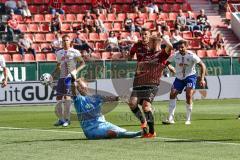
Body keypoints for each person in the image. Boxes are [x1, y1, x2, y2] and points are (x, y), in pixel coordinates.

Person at [128, 28, 173, 138]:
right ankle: (143, 121)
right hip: (138, 82)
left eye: (153, 41)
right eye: (151, 42)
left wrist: (163, 38)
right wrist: (139, 69)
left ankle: (152, 132)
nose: (150, 43)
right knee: (132, 103)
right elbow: (139, 63)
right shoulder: (145, 54)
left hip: (152, 84)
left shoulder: (161, 53)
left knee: (146, 107)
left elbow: (170, 47)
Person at [71, 78, 142, 139]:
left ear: (87, 85)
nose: (81, 88)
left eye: (82, 86)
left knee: (123, 131)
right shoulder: (78, 99)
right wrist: (73, 80)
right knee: (112, 133)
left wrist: (119, 98)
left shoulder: (95, 97)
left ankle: (138, 134)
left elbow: (108, 98)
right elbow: (73, 89)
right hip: (91, 130)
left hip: (104, 124)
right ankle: (138, 133)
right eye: (79, 87)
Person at [163, 40, 206, 125]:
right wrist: (170, 67)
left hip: (190, 77)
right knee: (172, 94)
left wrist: (202, 79)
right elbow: (166, 62)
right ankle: (170, 118)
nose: (180, 49)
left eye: (182, 47)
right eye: (179, 47)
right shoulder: (175, 55)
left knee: (188, 95)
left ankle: (188, 119)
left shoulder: (192, 56)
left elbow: (202, 65)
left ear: (186, 47)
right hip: (179, 78)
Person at [51, 34, 85, 127]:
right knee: (58, 99)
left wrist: (75, 71)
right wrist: (53, 74)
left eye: (66, 40)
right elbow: (58, 65)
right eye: (63, 40)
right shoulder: (59, 53)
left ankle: (67, 119)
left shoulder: (75, 52)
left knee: (67, 98)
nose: (65, 42)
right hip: (61, 78)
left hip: (69, 77)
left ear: (70, 41)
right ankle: (61, 119)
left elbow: (83, 63)